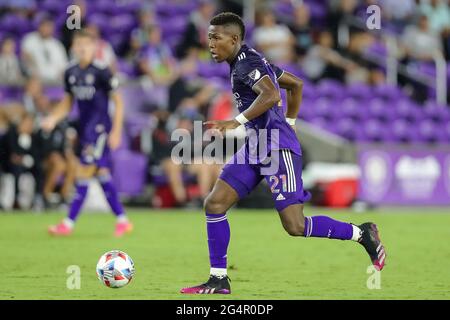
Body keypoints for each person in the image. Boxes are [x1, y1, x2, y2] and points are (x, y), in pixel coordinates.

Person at [180, 12, 386, 294]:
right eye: (209, 37)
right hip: (256, 144)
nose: (210, 43)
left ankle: (362, 233)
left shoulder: (247, 63)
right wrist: (289, 121)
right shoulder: (250, 60)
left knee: (295, 225)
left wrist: (236, 122)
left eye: (216, 37)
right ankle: (218, 279)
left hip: (277, 147)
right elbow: (295, 84)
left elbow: (272, 95)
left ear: (234, 39)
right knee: (215, 204)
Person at [41, 29, 132, 237]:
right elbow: (67, 102)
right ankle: (123, 220)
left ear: (94, 47)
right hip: (84, 129)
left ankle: (68, 223)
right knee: (101, 173)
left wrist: (116, 131)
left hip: (100, 129)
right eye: (78, 44)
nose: (82, 48)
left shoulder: (102, 71)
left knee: (83, 172)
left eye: (86, 44)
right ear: (73, 47)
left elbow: (118, 102)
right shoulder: (71, 72)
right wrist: (52, 118)